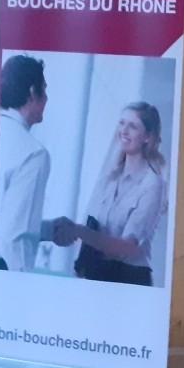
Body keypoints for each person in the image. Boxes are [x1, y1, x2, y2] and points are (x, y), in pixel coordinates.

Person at [63, 101, 167, 287]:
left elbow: (128, 248)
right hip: (98, 272)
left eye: (133, 126)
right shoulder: (111, 176)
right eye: (122, 123)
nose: (124, 131)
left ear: (147, 137)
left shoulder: (152, 184)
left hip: (129, 277)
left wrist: (80, 231)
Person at [0, 55, 70, 271]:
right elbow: (16, 237)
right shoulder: (33, 154)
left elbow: (0, 222)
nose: (47, 99)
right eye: (44, 90)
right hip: (3, 271)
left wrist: (46, 230)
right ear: (33, 92)